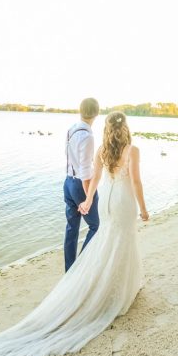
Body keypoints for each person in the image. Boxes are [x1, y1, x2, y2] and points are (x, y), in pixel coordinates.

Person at [0, 111, 150, 356]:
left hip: (108, 200)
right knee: (123, 240)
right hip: (122, 200)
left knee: (109, 239)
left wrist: (87, 201)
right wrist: (143, 209)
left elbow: (95, 180)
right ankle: (118, 290)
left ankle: (108, 281)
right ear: (126, 127)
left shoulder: (101, 150)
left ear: (108, 128)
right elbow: (136, 182)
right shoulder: (133, 150)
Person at [63, 97, 100, 271]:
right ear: (97, 113)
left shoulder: (71, 129)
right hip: (80, 186)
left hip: (68, 182)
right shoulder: (87, 136)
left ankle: (69, 269)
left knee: (72, 228)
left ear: (80, 110)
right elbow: (85, 171)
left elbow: (70, 158)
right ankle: (80, 268)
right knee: (96, 226)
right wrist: (89, 197)